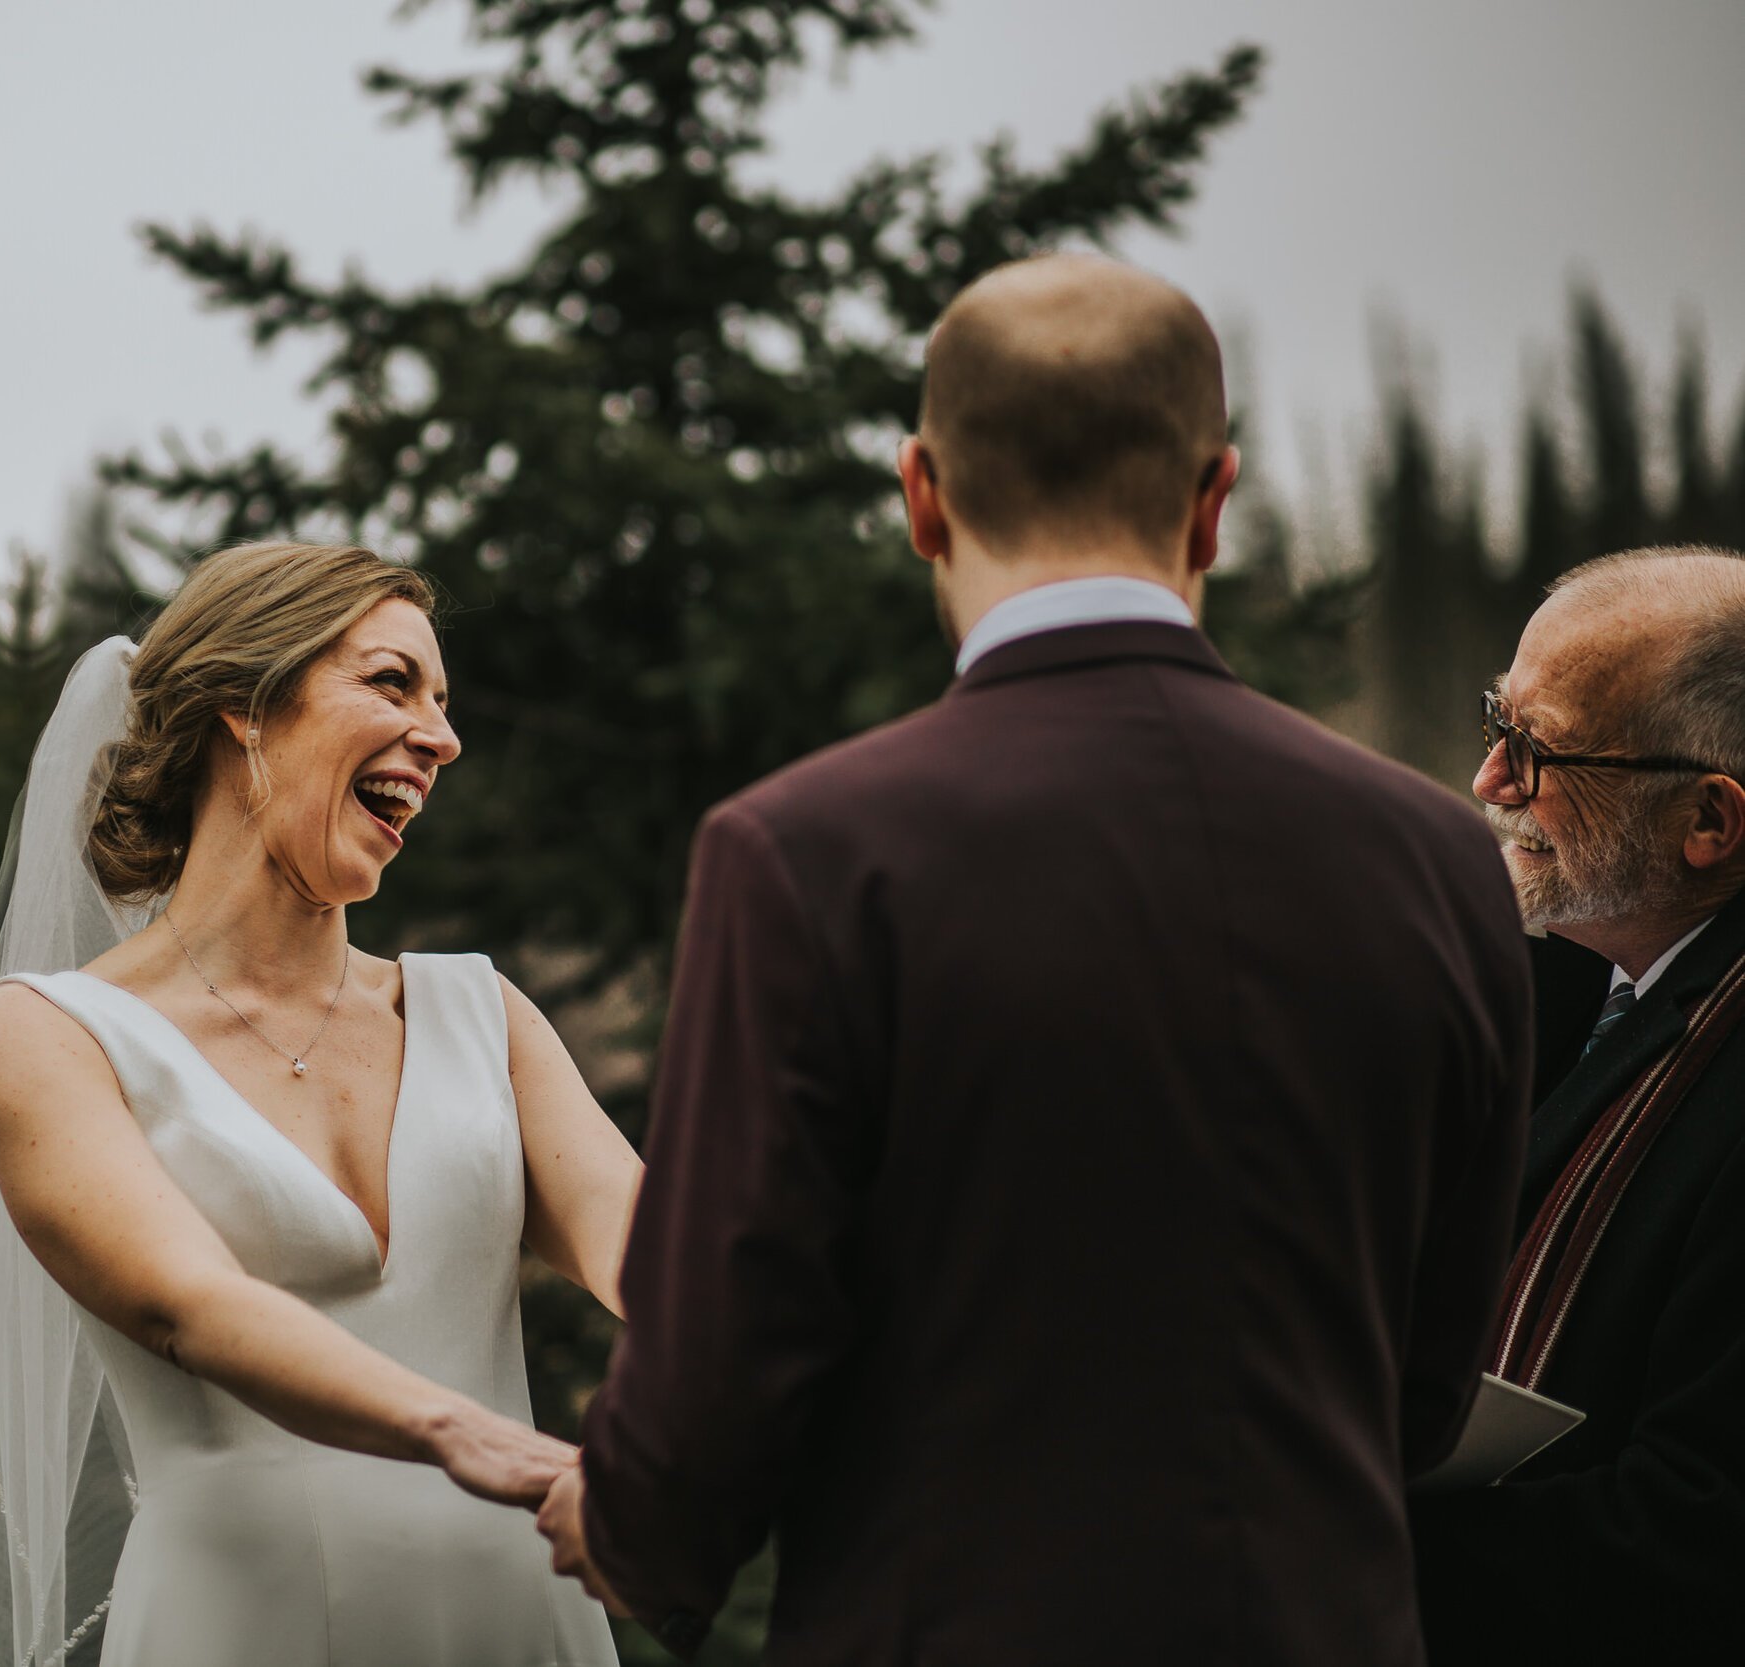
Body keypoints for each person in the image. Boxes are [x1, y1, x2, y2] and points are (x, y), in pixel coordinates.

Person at [535, 253, 1536, 1666]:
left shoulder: (807, 851)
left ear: (921, 495)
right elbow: (1428, 1384)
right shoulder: (1439, 856)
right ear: (1214, 500)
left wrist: (637, 1526)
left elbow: (721, 1360)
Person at [0, 542, 634, 1667]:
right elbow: (190, 1301)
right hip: (241, 1626)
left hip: (521, 1623)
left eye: (445, 703)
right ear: (243, 708)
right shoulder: (49, 1035)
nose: (443, 737)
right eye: (392, 682)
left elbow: (660, 1251)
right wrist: (486, 1444)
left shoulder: (480, 1013)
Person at [1412, 546, 1745, 1664]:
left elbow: (1696, 1535)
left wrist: (1341, 1528)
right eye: (1495, 721)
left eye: (1537, 749)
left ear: (1709, 819)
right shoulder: (1554, 981)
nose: (1487, 781)